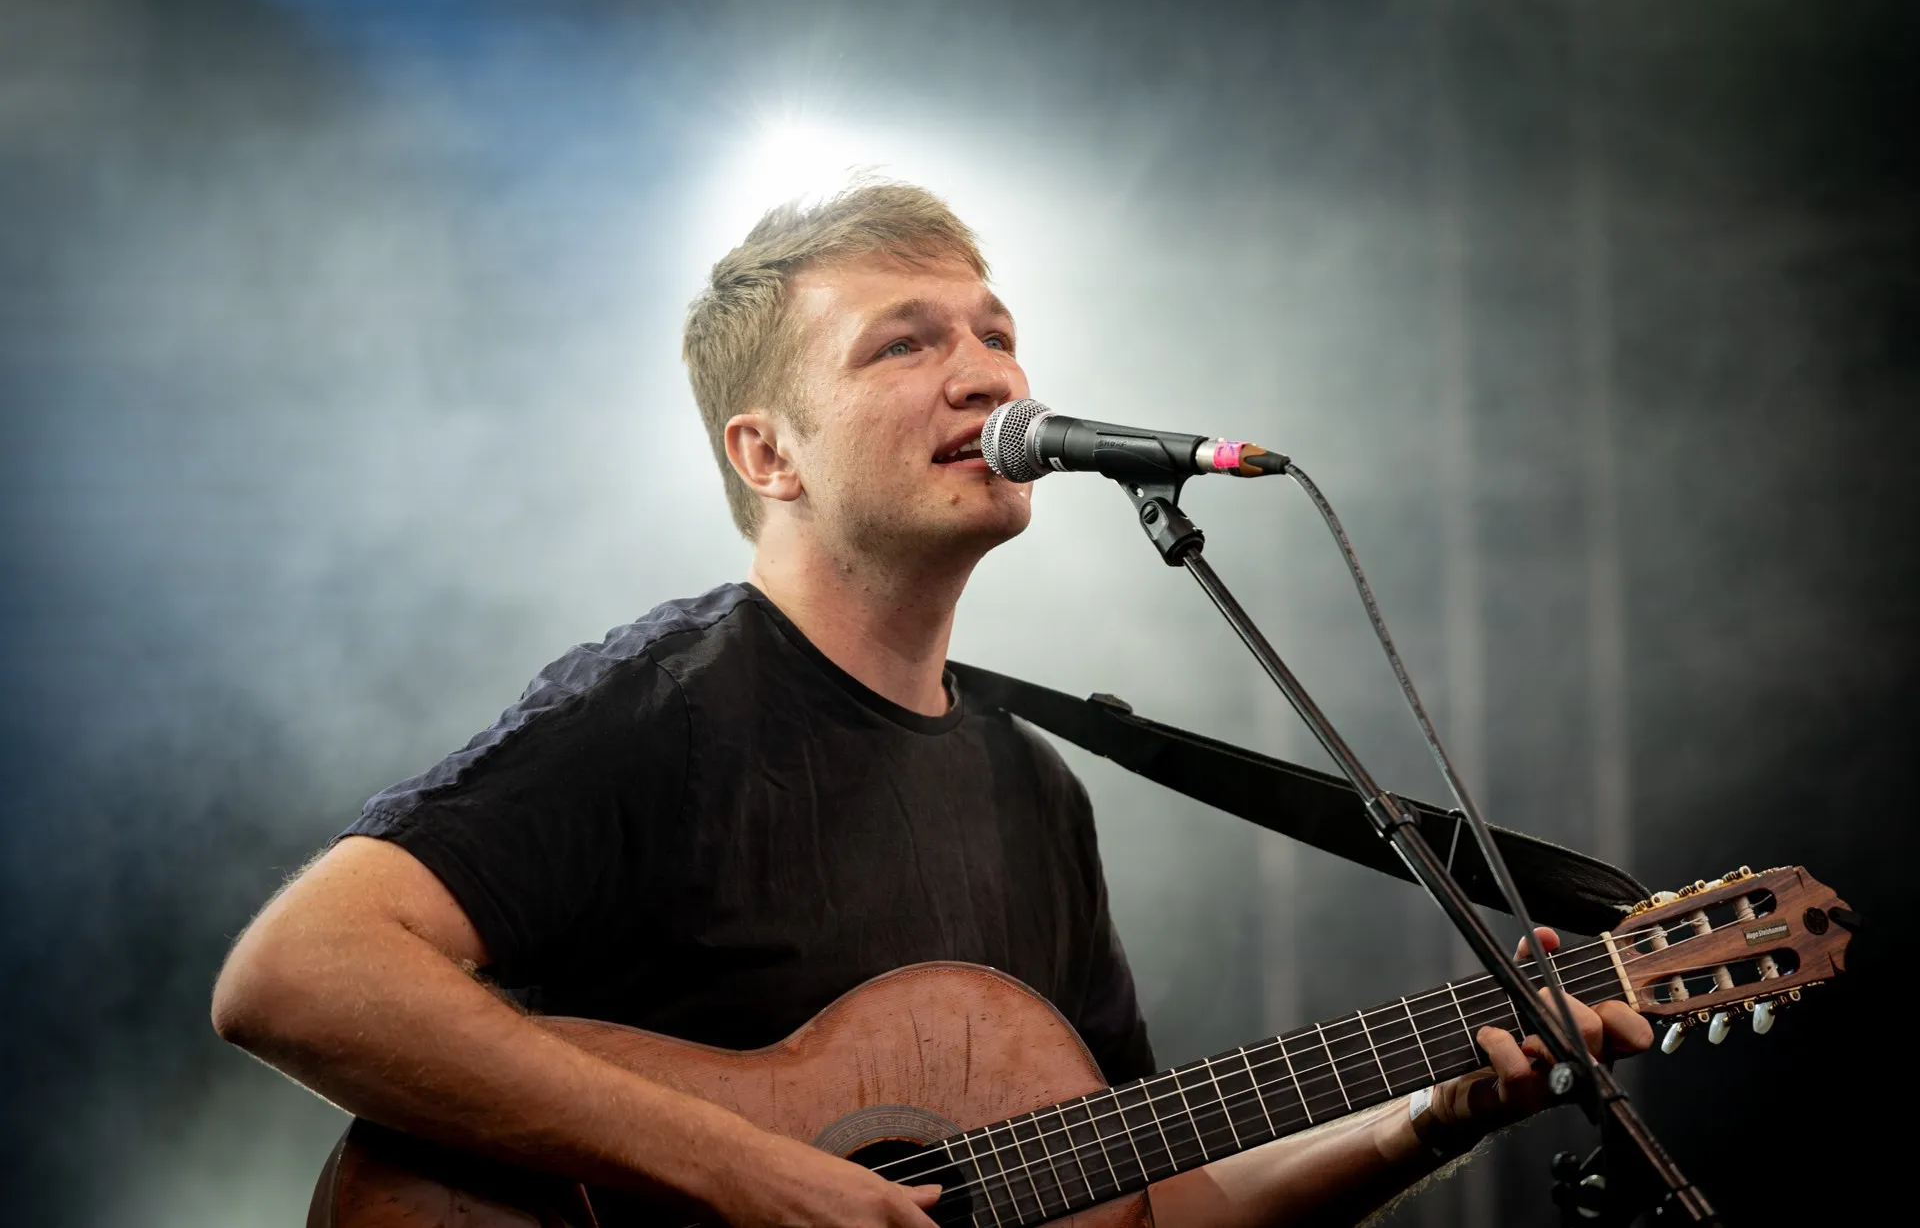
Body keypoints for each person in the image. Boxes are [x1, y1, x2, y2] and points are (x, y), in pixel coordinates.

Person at [211, 182, 1652, 1227]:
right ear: (768, 453)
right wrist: (743, 1169)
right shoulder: (676, 705)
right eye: (905, 343)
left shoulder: (1038, 789)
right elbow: (294, 977)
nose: (988, 374)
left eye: (996, 332)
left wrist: (1435, 1114)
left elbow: (1153, 1210)